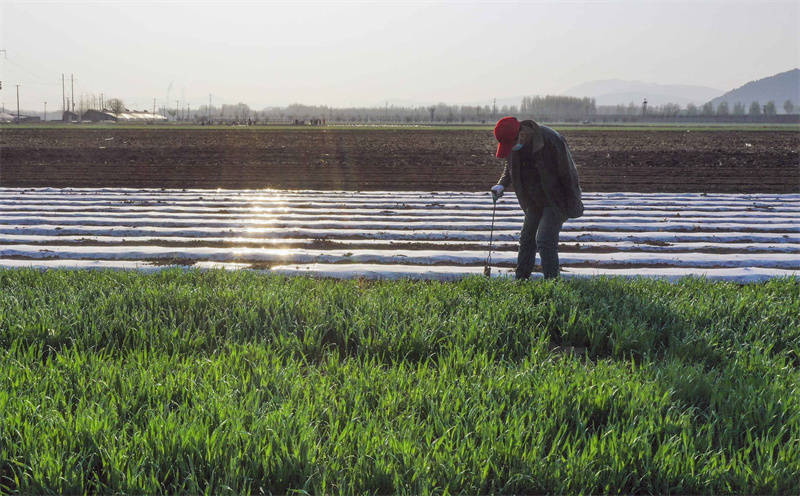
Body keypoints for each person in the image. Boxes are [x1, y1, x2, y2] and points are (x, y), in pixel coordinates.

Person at [491, 116, 584, 279]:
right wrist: (501, 184)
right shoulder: (515, 146)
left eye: (511, 145)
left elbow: (569, 173)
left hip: (555, 200)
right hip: (533, 201)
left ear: (522, 134)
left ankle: (552, 284)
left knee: (544, 240)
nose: (511, 149)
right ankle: (521, 281)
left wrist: (573, 205)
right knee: (527, 239)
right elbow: (509, 168)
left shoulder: (551, 140)